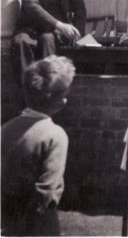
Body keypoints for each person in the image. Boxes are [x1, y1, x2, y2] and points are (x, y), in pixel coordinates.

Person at [1, 55, 75, 237]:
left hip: (7, 215)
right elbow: (46, 188)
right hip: (39, 220)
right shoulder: (55, 135)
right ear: (61, 103)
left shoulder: (5, 128)